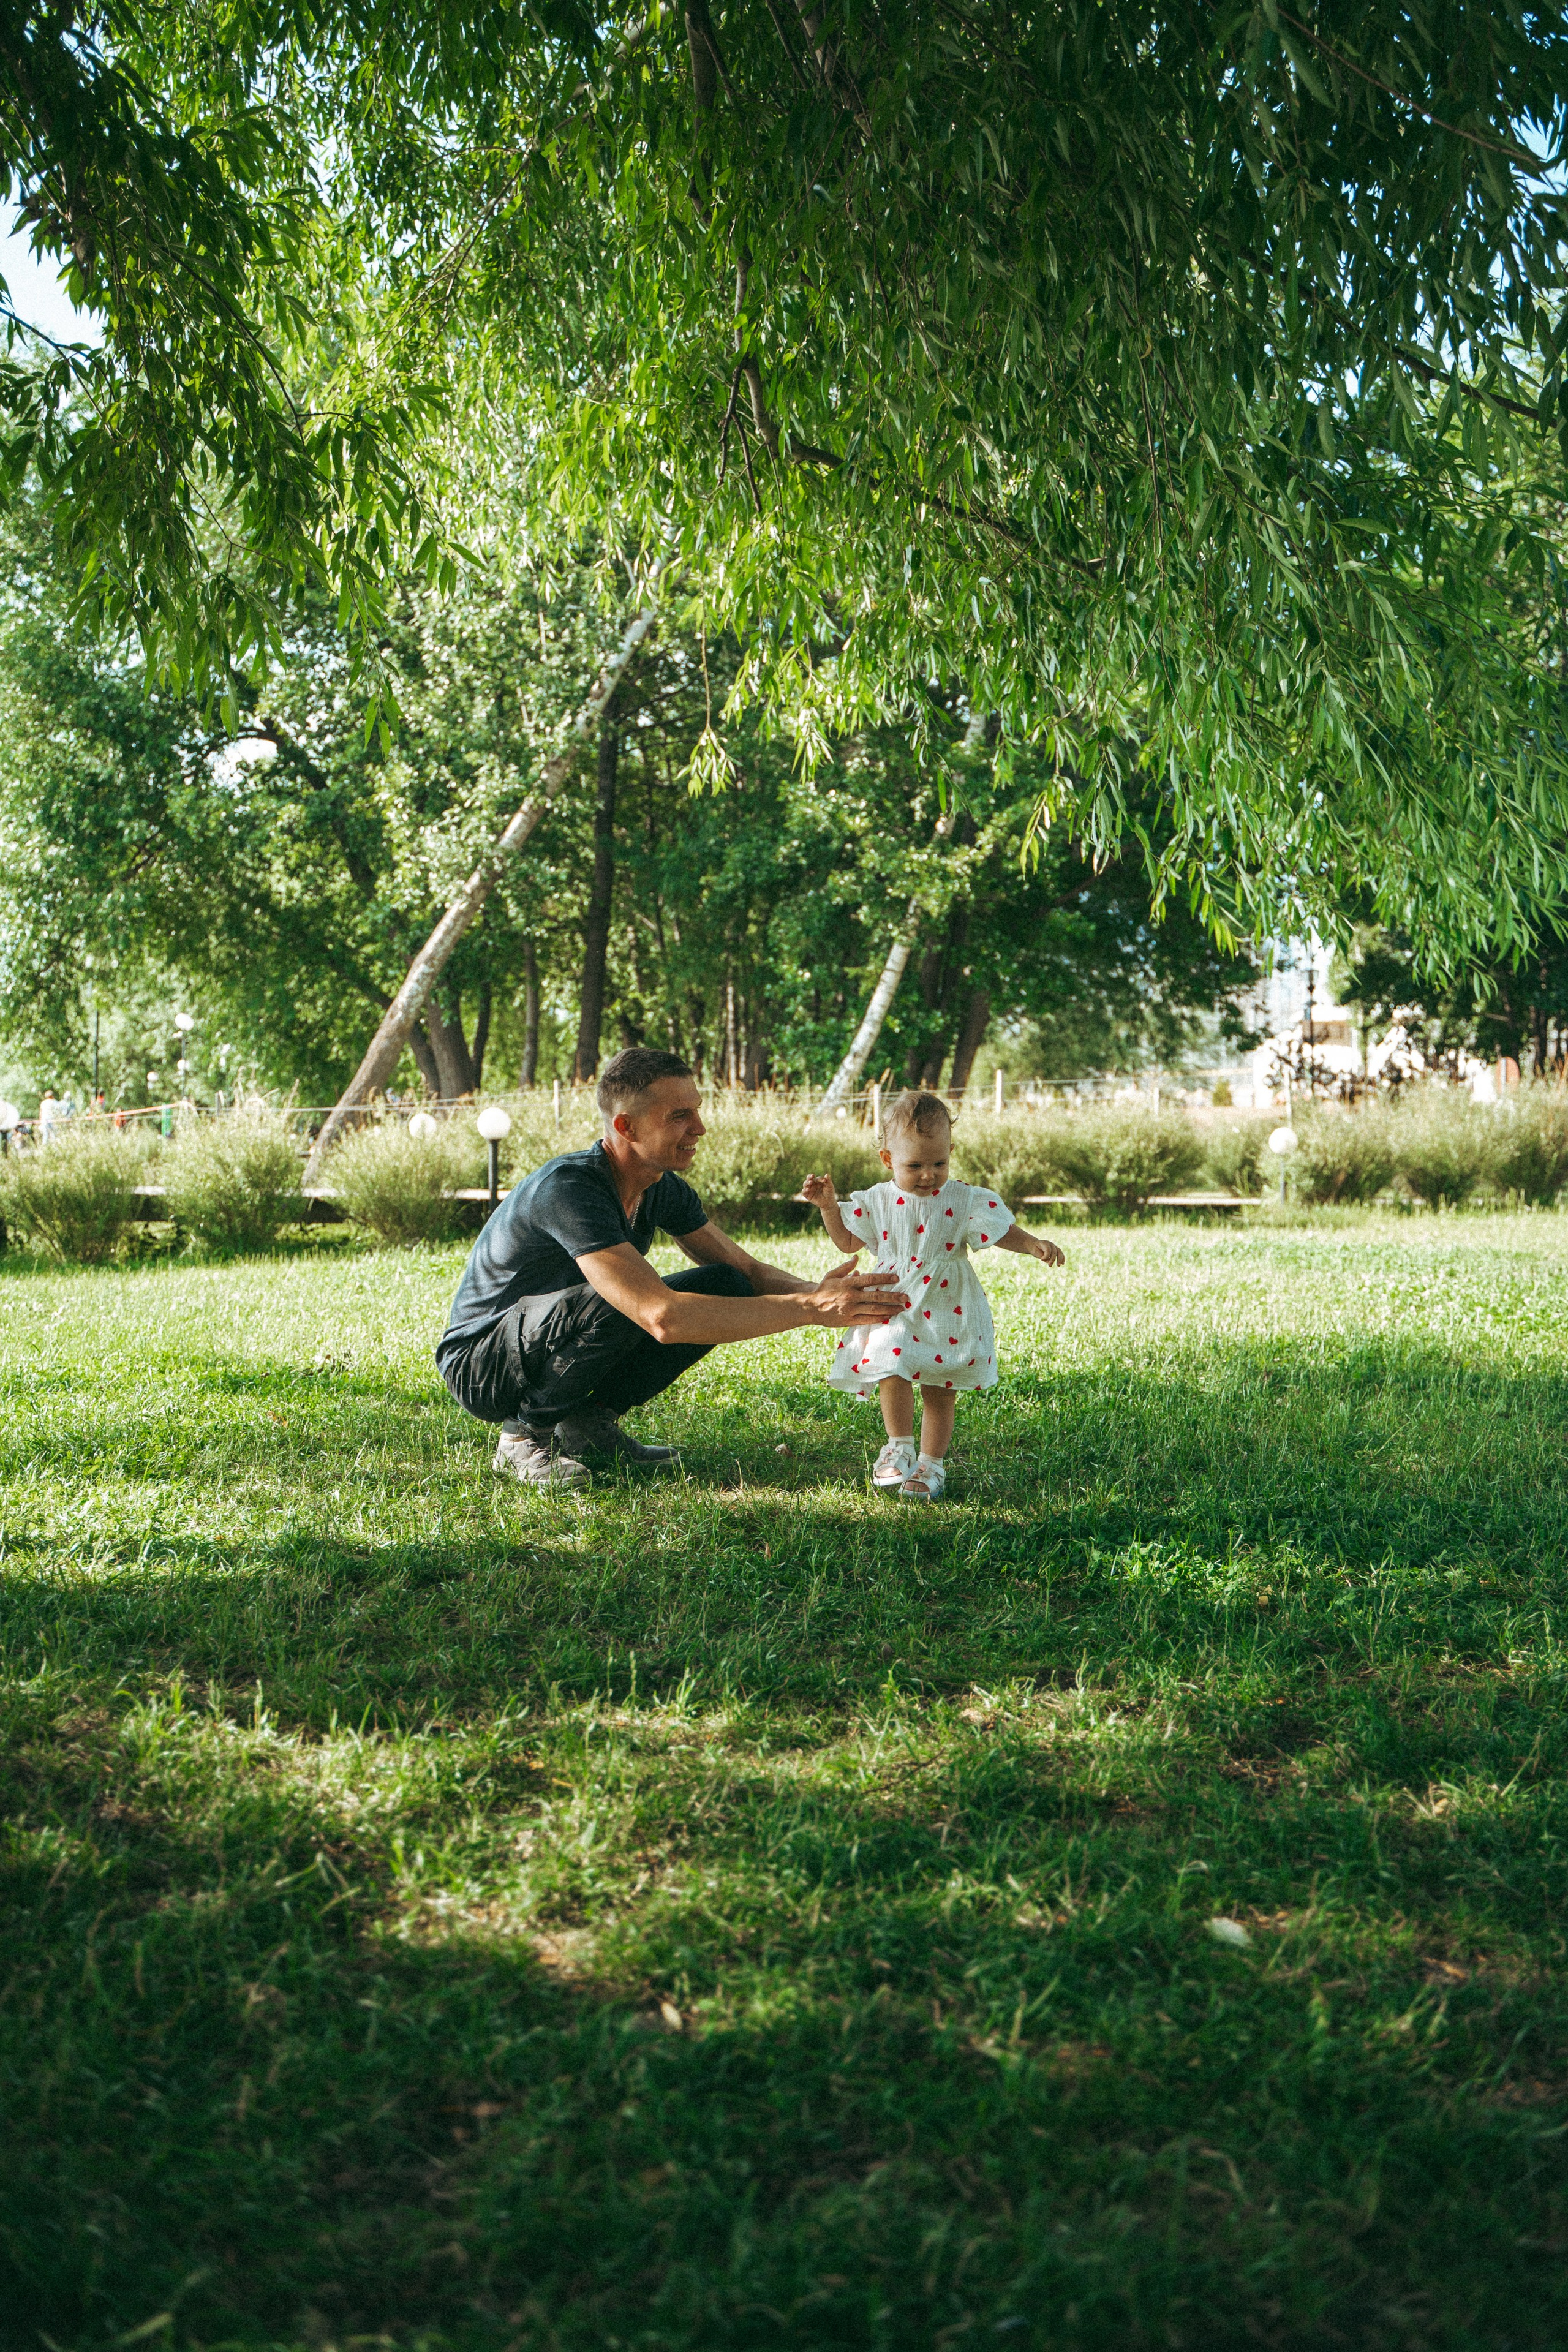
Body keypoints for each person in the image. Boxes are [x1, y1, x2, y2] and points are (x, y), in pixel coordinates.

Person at [436, 1046, 909, 1488]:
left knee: (726, 1284)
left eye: (697, 1111)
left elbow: (744, 1271)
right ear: (626, 1127)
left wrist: (829, 1294)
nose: (699, 1127)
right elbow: (660, 1316)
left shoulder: (659, 1185)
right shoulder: (570, 1189)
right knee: (627, 1298)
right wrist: (810, 1308)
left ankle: (586, 1423)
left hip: (541, 1344)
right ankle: (522, 1435)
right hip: (481, 1364)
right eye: (680, 1115)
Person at [802, 1088, 1065, 1504]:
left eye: (939, 1163)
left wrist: (1032, 1243)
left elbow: (999, 1231)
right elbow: (849, 1242)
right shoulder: (878, 1199)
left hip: (946, 1302)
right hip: (894, 1300)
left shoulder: (964, 1198)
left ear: (951, 1152)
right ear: (888, 1160)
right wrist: (829, 1207)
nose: (928, 1174)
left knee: (940, 1389)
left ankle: (931, 1464)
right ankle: (899, 1446)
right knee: (891, 1364)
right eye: (915, 1165)